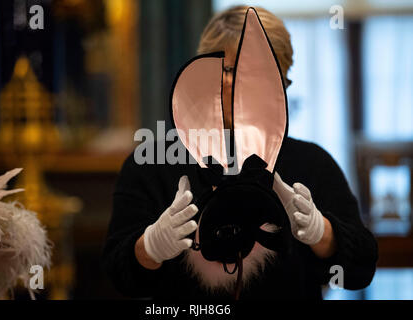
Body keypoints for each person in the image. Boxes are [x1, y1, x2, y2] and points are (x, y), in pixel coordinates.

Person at [101, 5, 378, 300]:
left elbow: (361, 270)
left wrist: (321, 232)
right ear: (201, 72)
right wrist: (150, 247)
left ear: (284, 84)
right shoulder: (152, 163)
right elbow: (118, 276)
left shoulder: (312, 164)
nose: (245, 85)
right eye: (231, 70)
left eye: (265, 73)